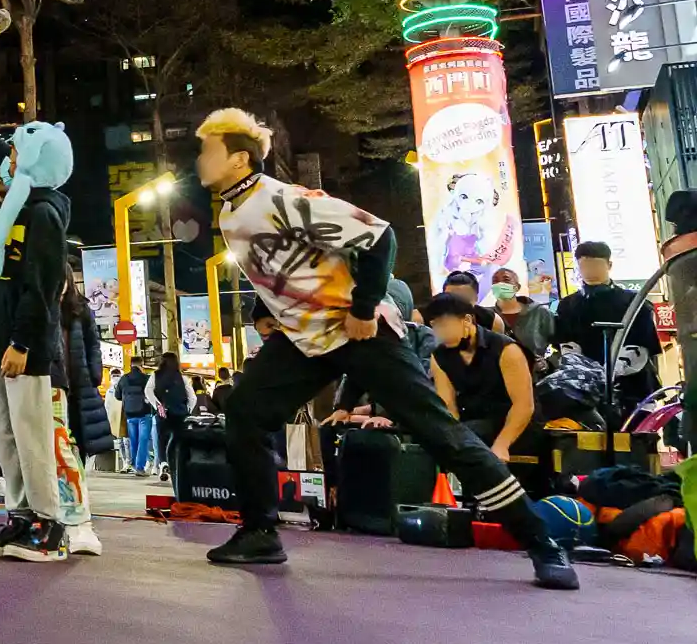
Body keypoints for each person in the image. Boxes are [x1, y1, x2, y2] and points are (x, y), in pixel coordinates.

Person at [191, 107, 574, 588]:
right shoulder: (231, 209)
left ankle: (542, 542)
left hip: (361, 332)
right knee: (245, 409)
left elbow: (379, 235)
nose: (200, 160)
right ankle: (260, 532)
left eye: (209, 151)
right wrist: (270, 315)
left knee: (441, 434)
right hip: (304, 338)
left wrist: (365, 307)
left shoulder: (281, 198)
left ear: (240, 159)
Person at [0, 120, 83, 562]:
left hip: (22, 347)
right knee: (4, 433)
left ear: (36, 162)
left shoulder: (42, 212)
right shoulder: (19, 201)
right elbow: (1, 156)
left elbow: (43, 287)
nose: (6, 163)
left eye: (16, 156)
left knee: (31, 436)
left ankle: (50, 526)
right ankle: (20, 516)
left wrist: (23, 342)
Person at [422, 293, 540, 461]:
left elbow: (524, 406)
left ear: (467, 320)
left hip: (516, 425)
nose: (440, 332)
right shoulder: (439, 356)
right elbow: (449, 406)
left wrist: (501, 445)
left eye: (445, 325)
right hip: (474, 422)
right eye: (435, 326)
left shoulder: (507, 350)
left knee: (474, 434)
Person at [554, 241, 658, 412]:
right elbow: (567, 343)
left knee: (635, 435)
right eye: (585, 265)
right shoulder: (568, 305)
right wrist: (586, 373)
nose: (590, 271)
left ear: (609, 265)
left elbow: (642, 344)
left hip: (632, 386)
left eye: (596, 265)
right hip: (585, 388)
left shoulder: (635, 302)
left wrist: (613, 370)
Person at [60, 275, 116, 489]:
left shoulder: (81, 309)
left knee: (78, 436)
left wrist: (95, 374)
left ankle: (77, 486)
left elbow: (93, 344)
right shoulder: (44, 303)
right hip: (53, 383)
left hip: (78, 385)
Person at [488, 266, 556, 372]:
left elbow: (560, 343)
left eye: (506, 280)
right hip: (500, 379)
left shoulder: (539, 313)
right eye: (495, 281)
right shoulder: (487, 317)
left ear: (517, 287)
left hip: (536, 378)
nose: (500, 284)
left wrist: (548, 363)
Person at [150, 351, 191, 483]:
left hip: (163, 413)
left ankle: (163, 463)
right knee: (179, 440)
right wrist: (187, 409)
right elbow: (193, 397)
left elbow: (147, 391)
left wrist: (158, 406)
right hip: (181, 414)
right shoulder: (182, 378)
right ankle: (178, 464)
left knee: (162, 439)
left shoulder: (155, 376)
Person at [118, 359, 156, 475]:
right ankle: (140, 467)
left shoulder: (124, 379)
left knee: (133, 441)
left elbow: (117, 396)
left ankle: (135, 465)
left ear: (130, 365)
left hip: (129, 414)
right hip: (144, 413)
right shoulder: (146, 378)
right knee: (143, 440)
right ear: (141, 365)